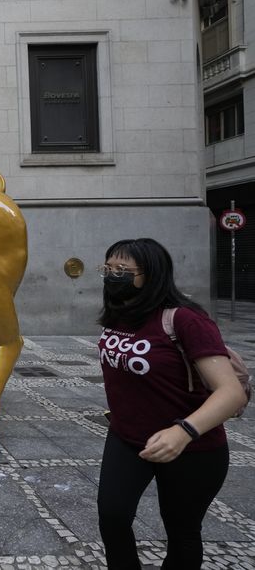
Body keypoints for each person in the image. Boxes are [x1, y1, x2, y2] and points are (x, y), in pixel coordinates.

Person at [95, 238, 247, 569]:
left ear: (151, 274)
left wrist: (183, 432)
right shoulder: (120, 315)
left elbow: (231, 392)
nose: (112, 277)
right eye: (108, 269)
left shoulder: (186, 320)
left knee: (182, 531)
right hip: (127, 438)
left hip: (192, 446)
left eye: (122, 270)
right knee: (113, 516)